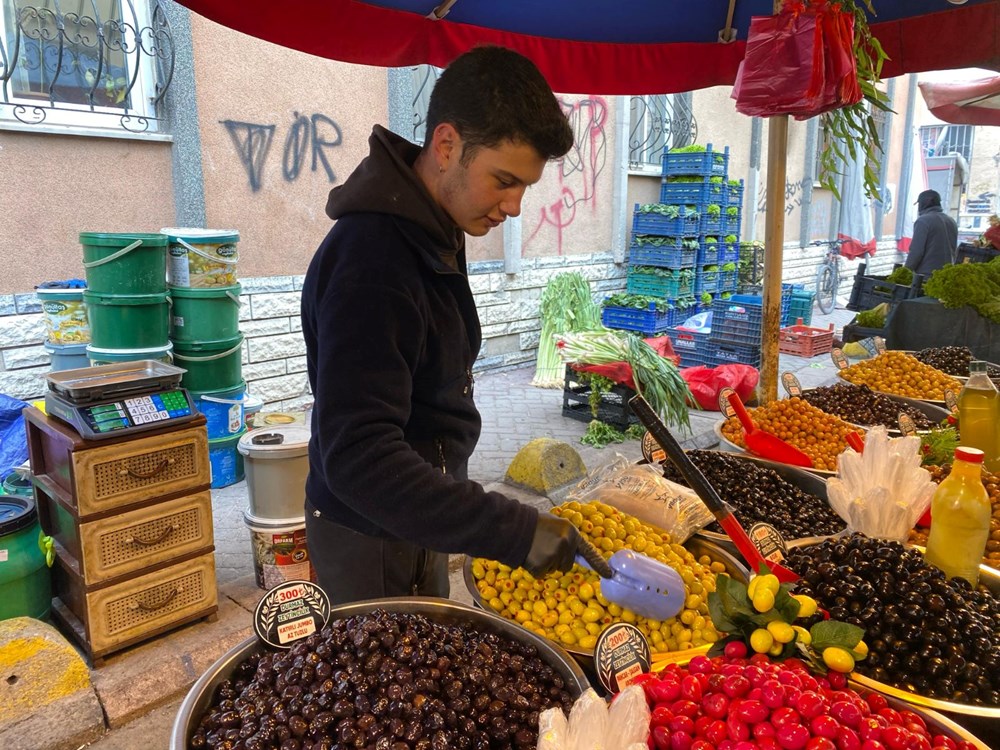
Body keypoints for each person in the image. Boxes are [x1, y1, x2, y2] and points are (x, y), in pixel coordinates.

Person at [300, 46, 584, 604]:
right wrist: (512, 530)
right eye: (504, 180)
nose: (514, 206)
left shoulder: (436, 224)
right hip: (370, 534)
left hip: (417, 514)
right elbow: (358, 456)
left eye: (524, 187)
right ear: (447, 145)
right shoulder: (374, 261)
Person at [904, 189, 958, 277]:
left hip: (926, 275)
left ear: (924, 203)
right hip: (946, 274)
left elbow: (916, 252)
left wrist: (905, 271)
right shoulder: (951, 221)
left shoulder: (923, 221)